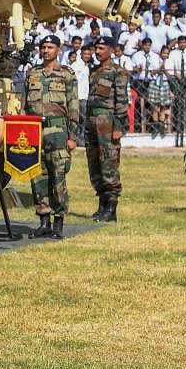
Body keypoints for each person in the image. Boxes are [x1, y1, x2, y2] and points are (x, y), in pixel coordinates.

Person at [22, 35, 79, 239]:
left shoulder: (67, 75)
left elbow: (73, 107)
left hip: (58, 133)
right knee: (37, 178)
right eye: (43, 47)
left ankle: (58, 223)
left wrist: (73, 136)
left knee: (58, 179)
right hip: (35, 133)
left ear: (59, 49)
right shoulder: (32, 73)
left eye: (50, 47)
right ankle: (43, 221)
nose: (46, 50)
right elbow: (24, 107)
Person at [86, 36, 128, 222]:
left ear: (111, 50)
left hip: (108, 121)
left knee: (108, 162)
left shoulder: (118, 72)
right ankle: (102, 203)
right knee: (94, 162)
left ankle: (111, 206)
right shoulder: (94, 71)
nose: (98, 52)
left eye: (102, 48)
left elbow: (122, 101)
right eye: (96, 48)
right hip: (92, 121)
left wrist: (118, 126)